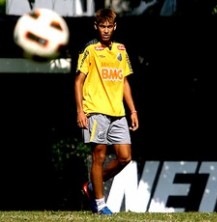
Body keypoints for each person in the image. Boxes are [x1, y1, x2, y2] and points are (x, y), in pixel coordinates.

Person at [74, 8, 139, 215]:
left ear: (114, 27)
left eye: (109, 27)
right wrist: (80, 111)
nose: (105, 30)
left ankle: (92, 186)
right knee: (99, 155)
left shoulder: (121, 49)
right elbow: (78, 82)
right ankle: (100, 205)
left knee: (125, 157)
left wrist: (133, 110)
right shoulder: (90, 50)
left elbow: (124, 82)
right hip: (95, 110)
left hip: (118, 111)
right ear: (96, 27)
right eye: (102, 26)